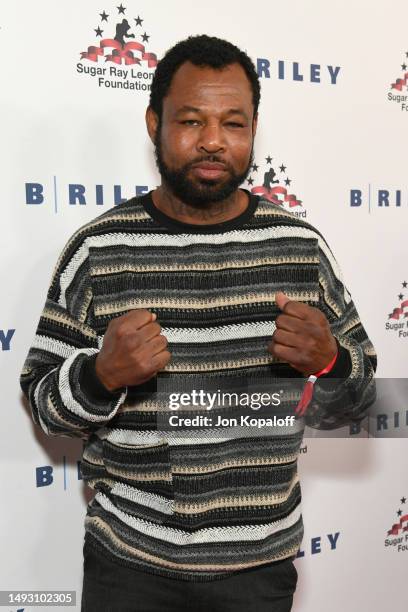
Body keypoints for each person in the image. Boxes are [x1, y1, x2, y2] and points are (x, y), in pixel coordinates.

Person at [19, 35, 377, 612]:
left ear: (254, 129)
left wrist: (331, 361)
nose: (213, 140)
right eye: (191, 120)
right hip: (128, 567)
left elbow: (356, 402)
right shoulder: (99, 249)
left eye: (233, 124)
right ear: (154, 122)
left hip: (258, 570)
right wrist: (99, 375)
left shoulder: (300, 249)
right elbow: (42, 403)